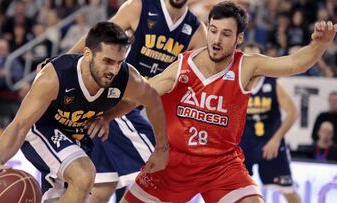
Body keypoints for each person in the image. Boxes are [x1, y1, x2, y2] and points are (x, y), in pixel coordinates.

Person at [99, 1, 335, 202]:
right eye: (213, 30)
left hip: (221, 164)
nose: (217, 39)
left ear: (239, 38)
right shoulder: (183, 64)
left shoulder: (247, 66)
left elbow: (293, 64)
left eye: (226, 34)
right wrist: (107, 115)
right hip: (174, 161)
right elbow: (145, 94)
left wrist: (319, 46)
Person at [0, 22, 169, 203]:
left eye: (119, 63)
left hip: (76, 136)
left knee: (74, 191)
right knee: (84, 174)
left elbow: (151, 100)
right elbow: (20, 125)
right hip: (42, 128)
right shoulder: (55, 76)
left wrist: (110, 117)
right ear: (88, 54)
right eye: (107, 61)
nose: (113, 70)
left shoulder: (126, 77)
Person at [69, 0, 207, 201]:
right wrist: (63, 62)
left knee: (101, 189)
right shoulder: (139, 7)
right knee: (161, 167)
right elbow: (99, 39)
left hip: (139, 105)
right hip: (116, 98)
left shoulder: (196, 30)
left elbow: (202, 78)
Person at [240, 43, 301, 203]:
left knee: (289, 192)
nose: (252, 62)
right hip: (245, 144)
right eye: (248, 58)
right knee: (236, 192)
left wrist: (276, 139)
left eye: (256, 57)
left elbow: (293, 113)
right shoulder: (236, 83)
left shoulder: (273, 83)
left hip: (271, 144)